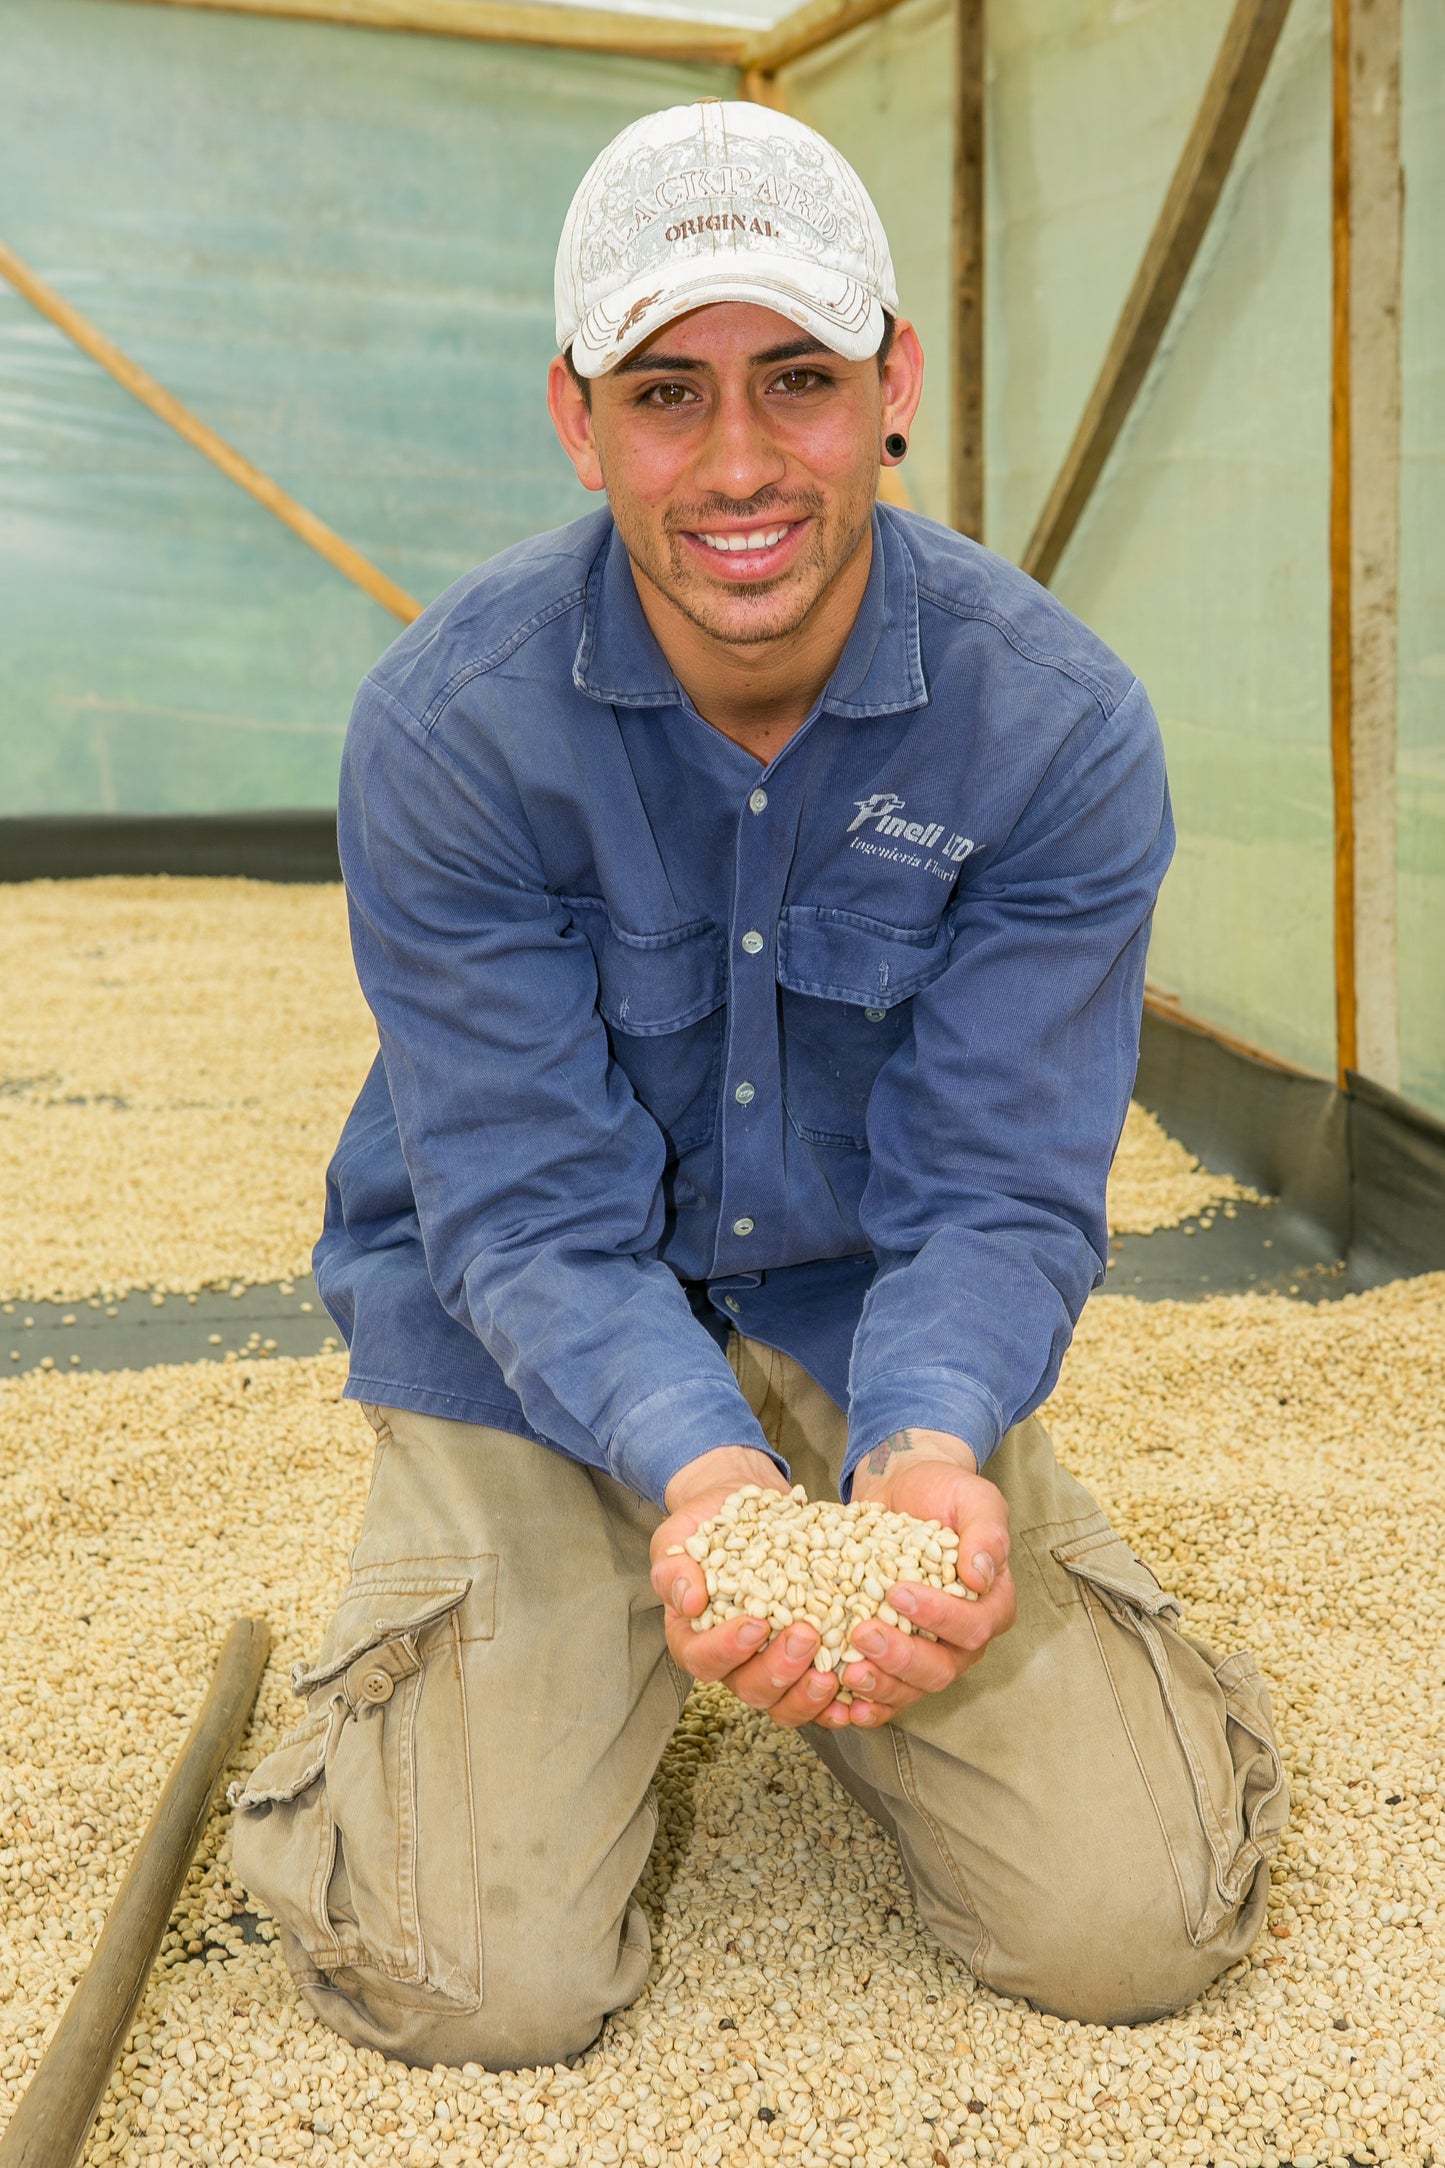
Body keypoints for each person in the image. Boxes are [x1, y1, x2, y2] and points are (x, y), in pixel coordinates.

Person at [232, 99, 1287, 2069]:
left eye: (797, 380)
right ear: (576, 418)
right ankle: (469, 1666)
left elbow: (995, 1188)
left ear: (894, 381)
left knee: (1126, 1930)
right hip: (521, 1330)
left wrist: (926, 1446)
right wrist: (709, 1474)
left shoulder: (1051, 730)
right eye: (666, 391)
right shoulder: (449, 732)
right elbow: (528, 1208)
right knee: (487, 1983)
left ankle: (1064, 1655)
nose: (737, 464)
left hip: (865, 1306)